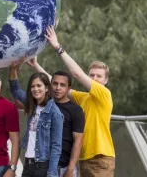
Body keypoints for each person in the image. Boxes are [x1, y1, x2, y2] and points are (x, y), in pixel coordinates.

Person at [44, 26, 115, 177]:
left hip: (101, 159)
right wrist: (36, 66)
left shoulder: (104, 94)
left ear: (106, 80)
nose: (94, 79)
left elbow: (76, 74)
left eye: (99, 76)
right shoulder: (83, 97)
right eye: (92, 75)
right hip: (84, 159)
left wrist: (58, 47)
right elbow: (58, 84)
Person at [12, 57, 86, 177]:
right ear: (49, 86)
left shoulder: (75, 110)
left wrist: (71, 168)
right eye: (55, 84)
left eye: (62, 85)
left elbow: (78, 141)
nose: (57, 88)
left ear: (69, 89)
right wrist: (15, 71)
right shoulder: (40, 104)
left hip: (63, 166)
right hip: (39, 164)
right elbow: (19, 96)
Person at [12, 72, 64, 177]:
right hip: (28, 164)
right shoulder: (32, 104)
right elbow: (16, 91)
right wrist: (13, 69)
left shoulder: (55, 113)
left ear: (46, 88)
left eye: (39, 85)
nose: (35, 89)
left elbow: (56, 146)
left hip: (42, 167)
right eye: (33, 86)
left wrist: (52, 174)